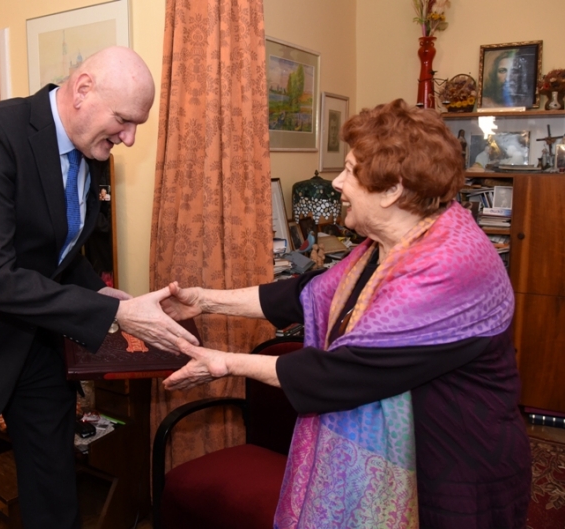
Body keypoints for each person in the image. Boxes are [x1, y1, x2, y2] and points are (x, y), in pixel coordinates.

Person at [161, 99, 531, 528]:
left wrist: (226, 363)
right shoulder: (388, 245)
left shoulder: (448, 264)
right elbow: (307, 293)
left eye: (351, 171)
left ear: (392, 190)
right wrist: (203, 300)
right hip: (408, 458)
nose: (337, 182)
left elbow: (342, 373)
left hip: (454, 471)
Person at [0, 46, 198, 529]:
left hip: (35, 348)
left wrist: (104, 294)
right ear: (83, 91)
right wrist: (115, 316)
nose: (130, 137)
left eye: (136, 124)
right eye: (124, 120)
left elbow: (58, 251)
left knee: (55, 493)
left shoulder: (91, 148)